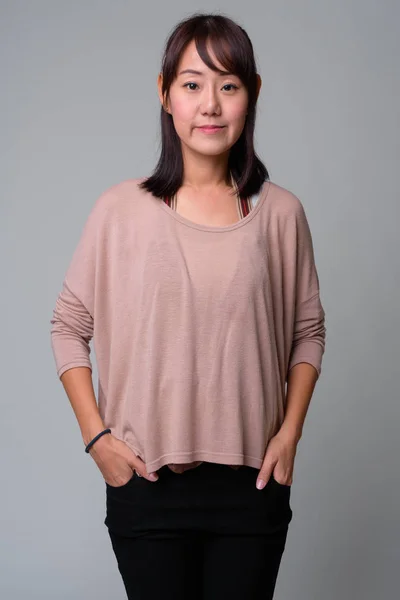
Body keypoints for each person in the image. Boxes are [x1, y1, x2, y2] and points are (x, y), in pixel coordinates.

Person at [50, 12, 326, 600]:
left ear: (252, 95)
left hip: (252, 487)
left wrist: (290, 436)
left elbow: (308, 332)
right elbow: (69, 326)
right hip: (146, 484)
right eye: (193, 84)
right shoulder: (119, 210)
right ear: (164, 93)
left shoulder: (280, 213)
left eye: (228, 86)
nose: (210, 105)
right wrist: (97, 439)